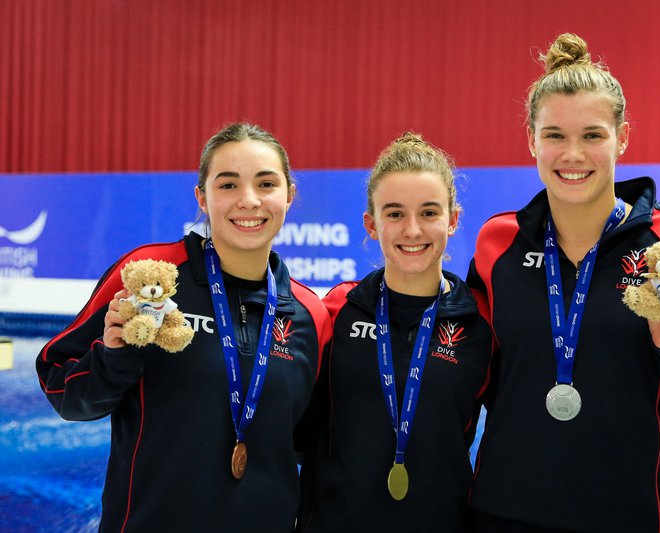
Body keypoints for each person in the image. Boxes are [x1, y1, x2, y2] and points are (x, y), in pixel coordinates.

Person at [465, 34, 660, 533]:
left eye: (593, 135)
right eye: (554, 135)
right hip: (504, 508)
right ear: (531, 139)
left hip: (632, 512)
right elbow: (473, 380)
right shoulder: (498, 242)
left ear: (622, 138)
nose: (572, 154)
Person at [35, 122, 331, 532]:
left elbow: (309, 441)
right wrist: (113, 358)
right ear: (202, 198)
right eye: (227, 185)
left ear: (289, 196)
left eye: (266, 184)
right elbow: (63, 390)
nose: (248, 201)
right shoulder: (145, 276)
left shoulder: (309, 314)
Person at [296, 133, 495, 532]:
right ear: (371, 224)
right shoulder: (338, 310)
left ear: (453, 220)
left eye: (429, 212)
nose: (412, 230)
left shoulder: (482, 322)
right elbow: (295, 425)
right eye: (394, 214)